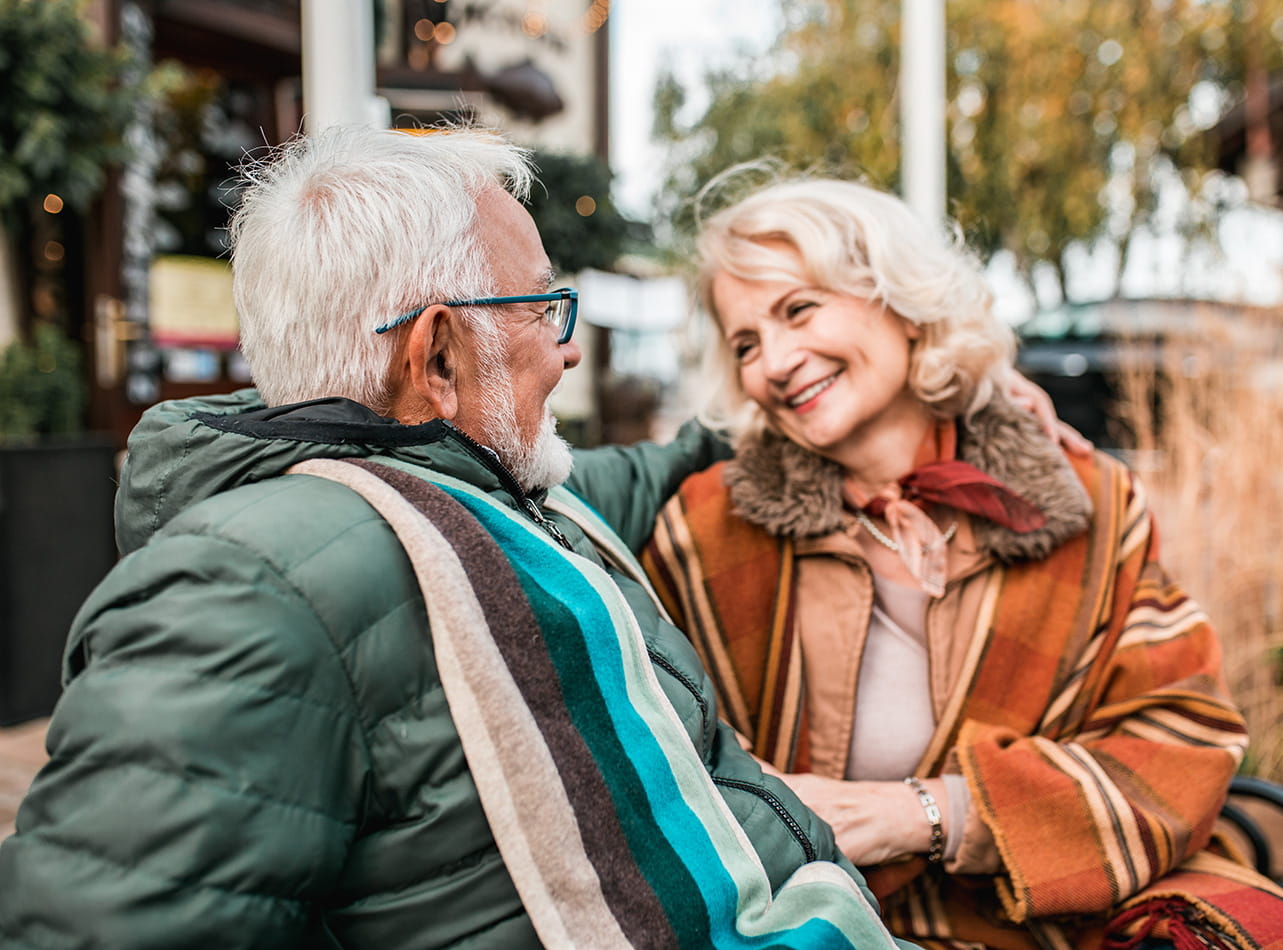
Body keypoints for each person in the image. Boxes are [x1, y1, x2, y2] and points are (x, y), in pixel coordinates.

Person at [0, 127, 917, 949]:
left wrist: (952, 392)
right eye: (542, 310)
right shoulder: (248, 587)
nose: (567, 351)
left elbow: (647, 469)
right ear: (438, 357)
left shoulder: (498, 493)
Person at [641, 174, 1283, 950]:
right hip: (811, 927)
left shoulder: (1088, 504)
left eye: (799, 310)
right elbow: (655, 760)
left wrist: (925, 812)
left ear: (902, 302)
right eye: (745, 344)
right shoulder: (706, 530)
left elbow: (1179, 739)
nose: (774, 362)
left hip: (1042, 929)